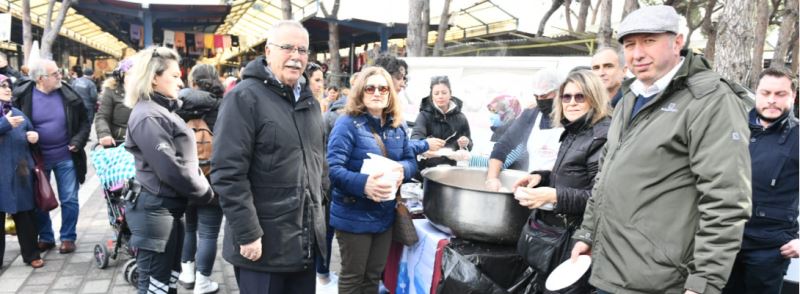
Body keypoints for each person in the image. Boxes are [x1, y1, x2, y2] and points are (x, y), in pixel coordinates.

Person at [569, 6, 752, 294]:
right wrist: (588, 233)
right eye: (630, 45)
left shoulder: (710, 100)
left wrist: (703, 283)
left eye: (649, 41)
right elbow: (605, 176)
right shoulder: (630, 97)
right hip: (610, 272)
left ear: (678, 42)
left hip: (662, 281)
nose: (637, 53)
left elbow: (725, 200)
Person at [211, 20, 326, 294]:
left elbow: (319, 162)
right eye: (287, 48)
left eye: (302, 50)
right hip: (262, 248)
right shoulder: (244, 98)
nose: (296, 56)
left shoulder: (309, 102)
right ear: (268, 51)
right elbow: (227, 173)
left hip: (303, 242)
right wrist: (248, 233)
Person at [123, 47, 214, 293]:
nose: (180, 81)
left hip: (166, 207)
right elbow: (170, 169)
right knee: (156, 286)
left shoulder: (159, 110)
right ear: (154, 77)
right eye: (174, 76)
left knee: (167, 282)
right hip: (155, 210)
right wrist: (203, 191)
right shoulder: (148, 115)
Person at [513, 70, 610, 293]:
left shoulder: (601, 136)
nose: (572, 103)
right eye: (567, 97)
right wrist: (542, 176)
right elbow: (571, 175)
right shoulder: (574, 131)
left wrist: (553, 196)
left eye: (580, 96)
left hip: (578, 239)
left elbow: (600, 197)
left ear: (594, 97)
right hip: (559, 235)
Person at [327, 66, 417, 294]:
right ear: (360, 91)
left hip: (384, 214)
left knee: (374, 277)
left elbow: (411, 161)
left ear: (390, 93)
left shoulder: (398, 125)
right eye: (370, 88)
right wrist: (364, 184)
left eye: (383, 88)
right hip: (353, 214)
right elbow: (333, 169)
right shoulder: (346, 123)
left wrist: (402, 170)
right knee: (353, 278)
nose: (377, 93)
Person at [722, 67, 799, 294]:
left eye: (780, 94)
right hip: (724, 241)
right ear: (757, 93)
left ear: (793, 96)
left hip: (769, 250)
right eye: (766, 93)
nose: (772, 100)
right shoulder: (731, 128)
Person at [12, 59, 90, 254]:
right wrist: (25, 137)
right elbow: (14, 126)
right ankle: (46, 237)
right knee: (40, 200)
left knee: (69, 199)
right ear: (40, 79)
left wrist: (78, 141)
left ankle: (67, 237)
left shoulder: (68, 94)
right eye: (55, 74)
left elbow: (84, 122)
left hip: (66, 156)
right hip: (37, 158)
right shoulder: (22, 97)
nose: (60, 76)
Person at [175, 63, 224, 294]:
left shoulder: (177, 104)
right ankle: (203, 282)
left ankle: (186, 274)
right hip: (213, 179)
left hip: (185, 177)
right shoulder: (222, 106)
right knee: (209, 233)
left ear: (192, 81)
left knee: (189, 227)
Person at [485, 68, 563, 190]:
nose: (540, 100)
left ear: (559, 91)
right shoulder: (530, 115)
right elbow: (504, 145)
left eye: (545, 95)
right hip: (531, 189)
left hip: (559, 192)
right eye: (536, 96)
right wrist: (492, 178)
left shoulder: (571, 117)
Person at [0, 74, 44, 269]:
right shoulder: (8, 117)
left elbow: (30, 131)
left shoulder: (17, 111)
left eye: (9, 85)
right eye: (2, 86)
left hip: (20, 173)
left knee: (26, 216)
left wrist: (34, 137)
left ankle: (32, 254)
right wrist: (4, 124)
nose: (8, 89)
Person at [412, 75, 472, 173]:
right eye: (436, 93)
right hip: (426, 170)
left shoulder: (461, 117)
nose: (440, 96)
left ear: (450, 94)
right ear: (432, 96)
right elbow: (415, 140)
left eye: (444, 93)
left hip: (451, 170)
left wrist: (465, 143)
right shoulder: (423, 116)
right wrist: (427, 145)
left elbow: (469, 143)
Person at [95, 58, 134, 147]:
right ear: (121, 75)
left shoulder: (147, 93)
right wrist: (104, 134)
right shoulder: (111, 91)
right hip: (120, 142)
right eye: (130, 75)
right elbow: (102, 116)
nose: (134, 79)